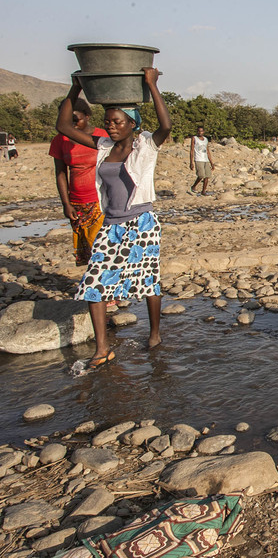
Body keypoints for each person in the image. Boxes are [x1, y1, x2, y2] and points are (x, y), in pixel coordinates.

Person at [55, 67, 172, 370]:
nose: (111, 127)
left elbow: (166, 125)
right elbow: (64, 125)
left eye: (118, 122)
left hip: (141, 222)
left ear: (132, 123)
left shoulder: (145, 145)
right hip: (111, 224)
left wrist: (151, 85)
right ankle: (102, 348)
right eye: (108, 122)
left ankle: (155, 335)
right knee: (94, 282)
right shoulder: (103, 146)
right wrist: (75, 88)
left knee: (148, 282)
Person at [49, 100, 110, 266]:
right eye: (68, 120)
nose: (72, 124)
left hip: (100, 200)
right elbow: (60, 173)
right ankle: (95, 285)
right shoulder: (60, 140)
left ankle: (102, 287)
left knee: (100, 246)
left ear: (88, 116)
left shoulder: (103, 137)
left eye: (76, 119)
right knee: (87, 249)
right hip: (77, 202)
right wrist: (66, 203)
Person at [189, 126, 215, 195]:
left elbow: (207, 151)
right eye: (198, 131)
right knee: (201, 175)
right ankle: (194, 186)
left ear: (203, 132)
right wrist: (191, 162)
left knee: (207, 176)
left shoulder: (206, 139)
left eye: (201, 131)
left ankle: (203, 191)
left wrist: (211, 163)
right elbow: (192, 150)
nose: (200, 132)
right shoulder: (194, 138)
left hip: (205, 159)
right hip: (198, 159)